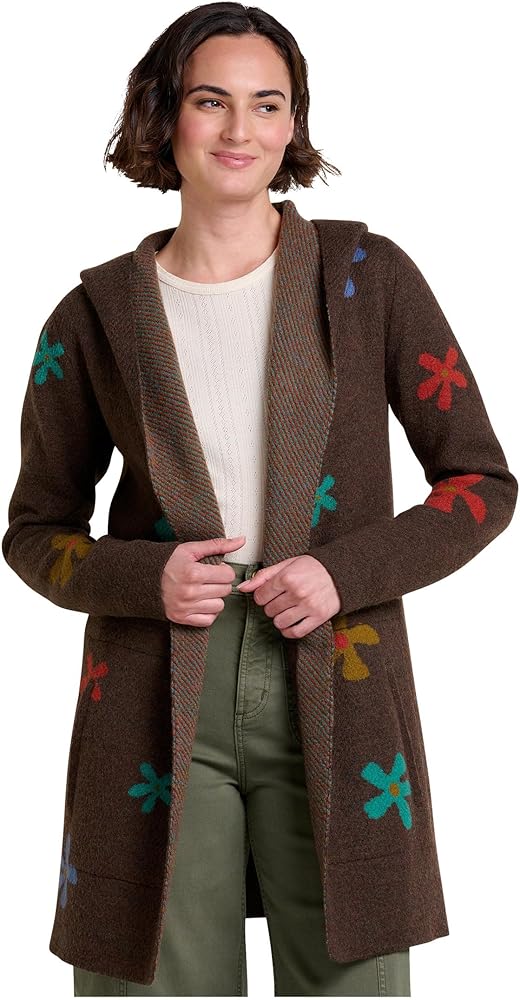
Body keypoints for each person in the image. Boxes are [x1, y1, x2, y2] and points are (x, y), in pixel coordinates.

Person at [3, 3, 517, 997]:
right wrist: (143, 576)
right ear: (164, 116)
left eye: (267, 104)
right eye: (211, 101)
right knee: (150, 977)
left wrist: (342, 572)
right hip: (155, 689)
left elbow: (481, 484)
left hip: (337, 669)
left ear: (292, 124)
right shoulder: (94, 315)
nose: (240, 129)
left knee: (353, 978)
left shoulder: (367, 278)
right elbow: (35, 533)